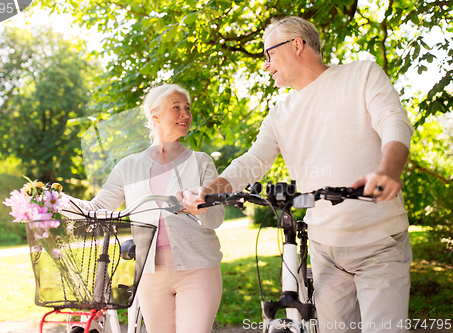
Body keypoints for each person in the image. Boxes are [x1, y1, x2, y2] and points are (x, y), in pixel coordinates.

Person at [181, 16, 414, 333]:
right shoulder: (280, 114)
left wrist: (388, 170)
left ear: (296, 45)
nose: (266, 65)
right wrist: (211, 189)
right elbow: (253, 160)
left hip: (378, 239)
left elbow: (393, 122)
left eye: (269, 54)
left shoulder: (361, 74)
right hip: (324, 249)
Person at [69, 84, 225, 333]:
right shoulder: (128, 166)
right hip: (150, 274)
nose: (185, 114)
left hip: (198, 268)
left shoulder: (200, 161)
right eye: (176, 108)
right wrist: (55, 201)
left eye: (187, 108)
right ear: (155, 116)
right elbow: (98, 208)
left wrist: (200, 207)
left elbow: (216, 218)